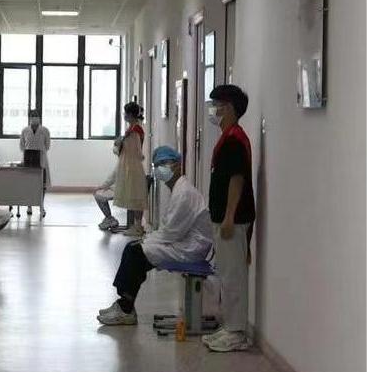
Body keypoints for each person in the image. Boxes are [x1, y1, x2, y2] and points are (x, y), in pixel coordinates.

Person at [97, 146, 213, 326]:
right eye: (157, 165)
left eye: (165, 163)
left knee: (135, 252)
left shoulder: (184, 193)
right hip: (183, 242)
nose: (160, 168)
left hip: (190, 248)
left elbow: (171, 232)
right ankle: (124, 304)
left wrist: (147, 240)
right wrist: (148, 240)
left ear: (177, 165)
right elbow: (170, 230)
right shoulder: (179, 189)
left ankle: (125, 309)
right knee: (134, 249)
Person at [201, 84, 256, 353]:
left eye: (217, 104)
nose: (214, 109)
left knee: (233, 276)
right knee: (226, 273)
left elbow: (237, 179)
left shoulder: (234, 139)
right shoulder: (228, 137)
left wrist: (229, 217)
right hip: (224, 217)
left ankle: (237, 332)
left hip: (232, 219)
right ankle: (230, 326)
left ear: (230, 107)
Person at [112, 102, 148, 237]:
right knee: (133, 196)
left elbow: (136, 152)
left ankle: (138, 227)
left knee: (136, 197)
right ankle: (136, 226)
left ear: (131, 114)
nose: (124, 115)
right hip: (130, 166)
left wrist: (119, 144)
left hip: (132, 167)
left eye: (125, 113)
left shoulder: (135, 131)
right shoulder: (131, 129)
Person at [18, 109, 51, 217]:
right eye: (32, 116)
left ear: (39, 118)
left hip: (41, 160)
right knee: (29, 184)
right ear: (29, 118)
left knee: (42, 184)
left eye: (36, 116)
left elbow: (47, 146)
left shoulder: (45, 130)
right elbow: (22, 146)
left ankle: (41, 205)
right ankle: (29, 206)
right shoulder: (25, 130)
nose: (34, 118)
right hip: (28, 160)